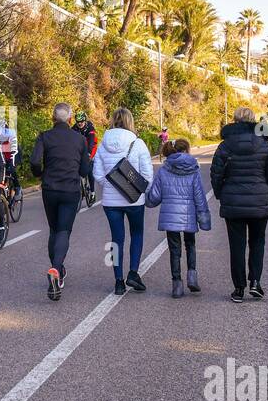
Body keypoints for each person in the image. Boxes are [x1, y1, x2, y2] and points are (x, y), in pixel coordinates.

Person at [211, 105, 268, 303]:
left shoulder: (225, 146)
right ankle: (256, 283)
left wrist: (220, 194)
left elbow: (216, 174)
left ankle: (239, 289)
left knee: (237, 246)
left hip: (233, 202)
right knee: (258, 243)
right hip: (260, 200)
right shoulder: (264, 144)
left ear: (234, 120)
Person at [29, 103, 92, 301]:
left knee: (54, 230)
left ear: (52, 118)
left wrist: (40, 174)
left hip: (50, 189)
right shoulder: (80, 140)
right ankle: (56, 269)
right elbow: (84, 170)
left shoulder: (44, 137)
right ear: (71, 119)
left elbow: (35, 162)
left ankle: (58, 269)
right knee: (64, 231)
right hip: (70, 190)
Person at [92, 107, 154, 295]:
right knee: (137, 234)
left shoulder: (103, 144)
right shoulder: (138, 143)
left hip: (111, 203)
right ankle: (133, 273)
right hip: (134, 200)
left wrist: (112, 186)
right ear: (130, 121)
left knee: (115, 240)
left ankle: (118, 281)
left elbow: (97, 174)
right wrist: (139, 191)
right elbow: (147, 175)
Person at [145, 139, 211, 298]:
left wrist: (146, 195)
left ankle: (177, 286)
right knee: (190, 244)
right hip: (189, 214)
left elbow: (154, 197)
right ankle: (192, 277)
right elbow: (199, 196)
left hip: (170, 216)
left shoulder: (163, 170)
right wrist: (204, 218)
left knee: (174, 250)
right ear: (187, 150)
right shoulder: (194, 169)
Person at [72, 110, 99, 200]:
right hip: (80, 148)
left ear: (85, 121)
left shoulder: (90, 128)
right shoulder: (74, 128)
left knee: (89, 170)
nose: (80, 124)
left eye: (81, 122)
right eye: (78, 122)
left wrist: (88, 155)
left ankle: (92, 192)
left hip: (91, 148)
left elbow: (91, 143)